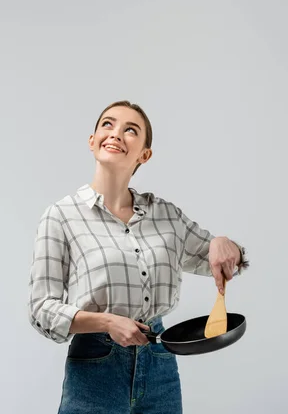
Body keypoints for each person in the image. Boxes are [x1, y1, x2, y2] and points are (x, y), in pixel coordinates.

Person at [27, 100, 249, 414]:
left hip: (160, 362)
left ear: (144, 154)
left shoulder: (165, 215)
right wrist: (106, 321)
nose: (116, 134)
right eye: (107, 124)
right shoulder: (61, 216)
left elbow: (224, 261)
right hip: (95, 365)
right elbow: (42, 309)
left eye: (130, 130)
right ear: (92, 141)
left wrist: (228, 245)